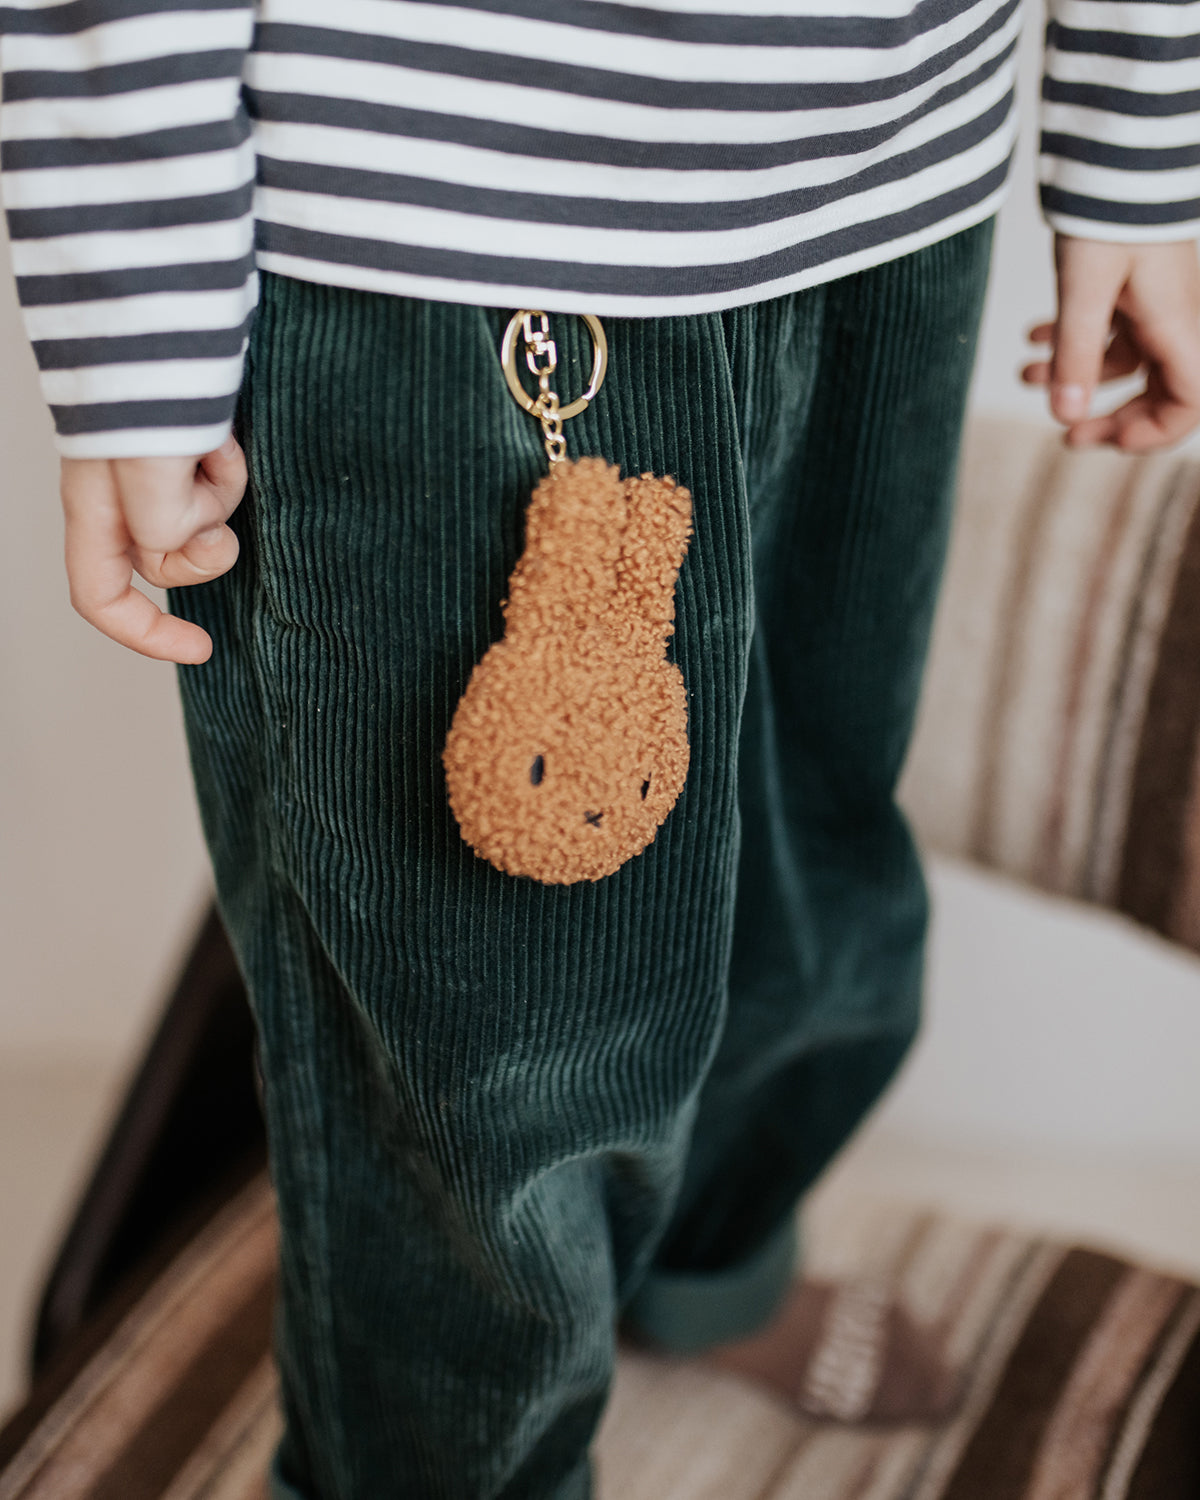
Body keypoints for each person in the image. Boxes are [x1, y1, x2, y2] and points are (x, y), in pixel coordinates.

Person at [3, 2, 1199, 1496]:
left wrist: (1136, 136)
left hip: (899, 169)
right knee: (486, 1038)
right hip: (455, 229)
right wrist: (139, 313)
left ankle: (709, 1268)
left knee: (805, 847)